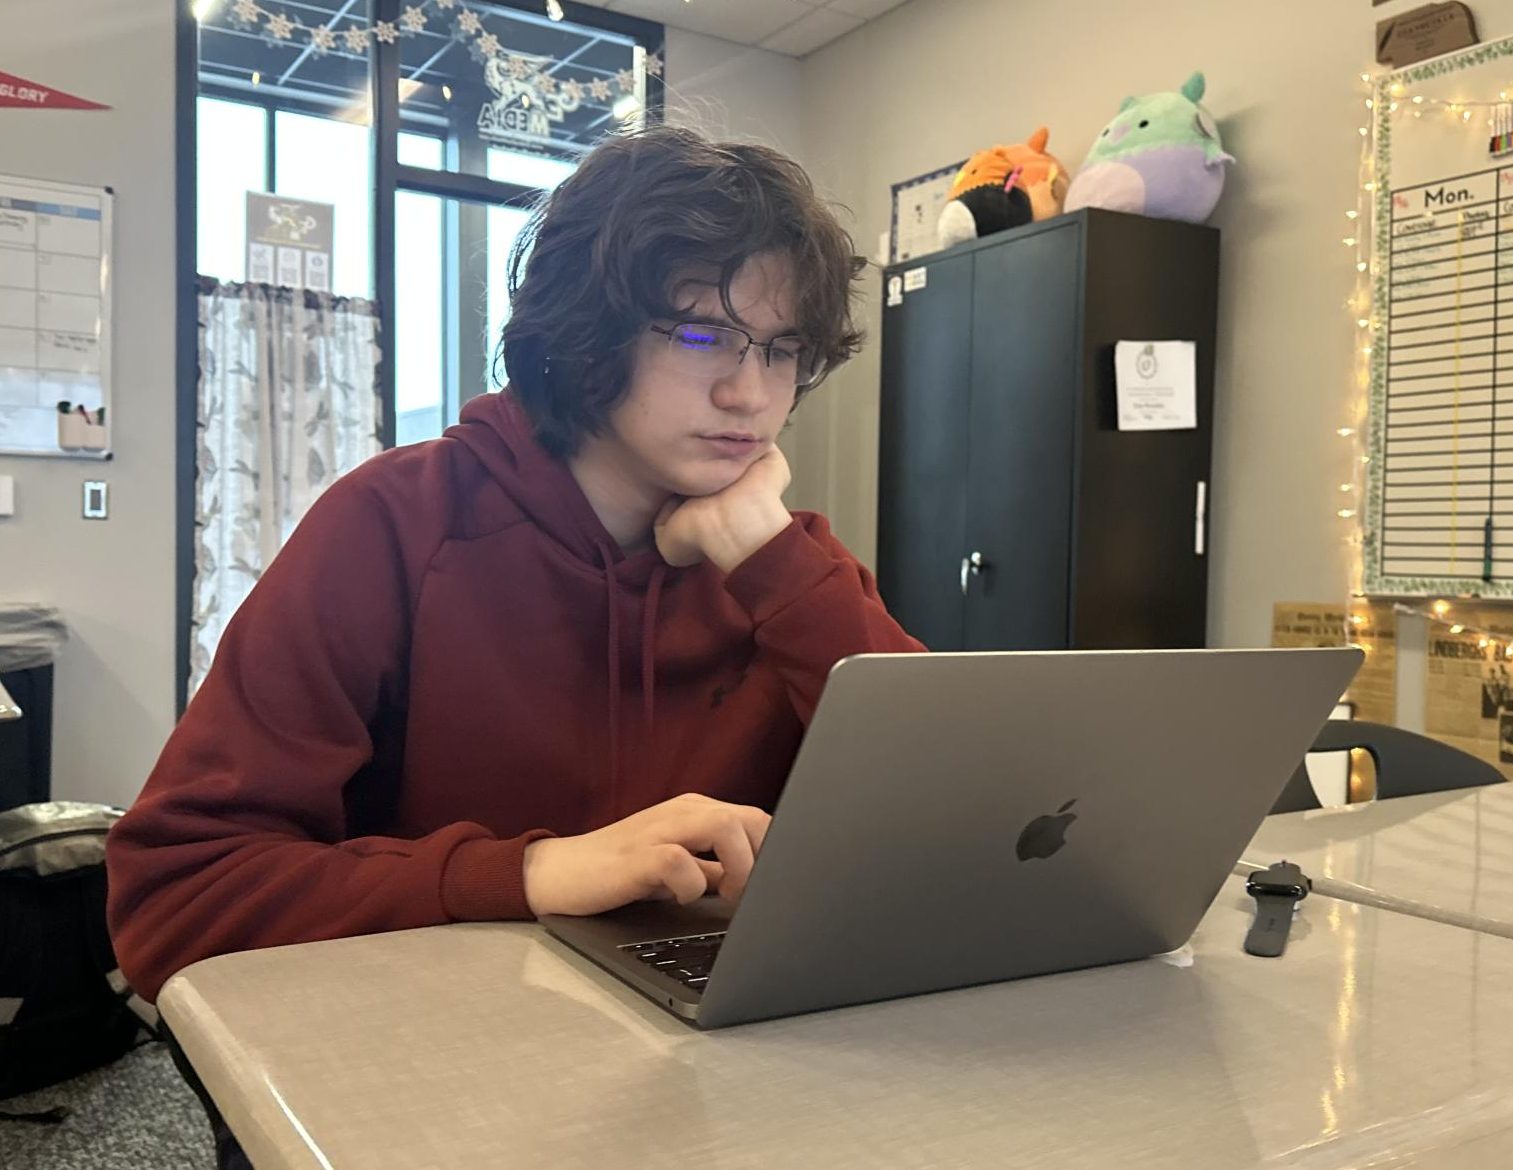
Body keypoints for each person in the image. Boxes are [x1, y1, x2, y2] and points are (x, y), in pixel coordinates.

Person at [105, 125, 926, 1008]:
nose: (750, 395)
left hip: (705, 1048)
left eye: (781, 349)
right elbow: (174, 899)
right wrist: (529, 874)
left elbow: (966, 827)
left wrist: (774, 566)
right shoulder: (397, 522)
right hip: (425, 1043)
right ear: (586, 335)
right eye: (700, 336)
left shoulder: (784, 557)